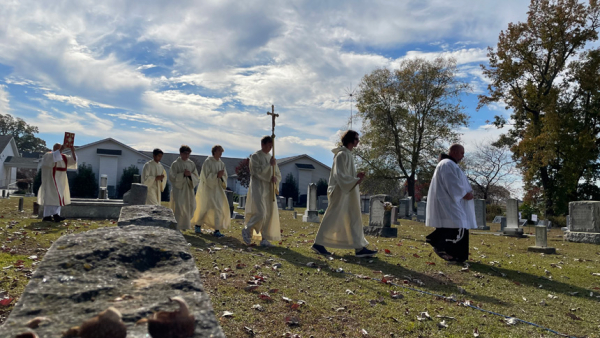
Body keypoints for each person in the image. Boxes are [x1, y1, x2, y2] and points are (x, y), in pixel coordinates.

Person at [311, 130, 378, 258]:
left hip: (349, 191)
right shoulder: (341, 155)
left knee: (353, 217)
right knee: (333, 216)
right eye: (357, 139)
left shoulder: (348, 155)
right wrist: (355, 179)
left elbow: (347, 175)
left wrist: (356, 178)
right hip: (340, 191)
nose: (358, 142)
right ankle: (318, 243)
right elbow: (340, 175)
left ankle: (359, 247)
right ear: (350, 140)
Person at [425, 144, 476, 263]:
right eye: (461, 153)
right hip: (449, 202)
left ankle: (457, 256)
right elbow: (451, 182)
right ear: (453, 152)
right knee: (457, 226)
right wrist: (464, 193)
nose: (463, 156)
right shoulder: (447, 164)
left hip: (453, 201)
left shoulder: (450, 164)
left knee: (456, 226)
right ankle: (440, 245)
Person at [241, 136, 282, 247]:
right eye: (269, 145)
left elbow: (277, 174)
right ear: (263, 144)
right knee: (260, 212)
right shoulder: (255, 156)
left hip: (268, 188)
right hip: (258, 187)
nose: (270, 148)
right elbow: (256, 172)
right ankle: (247, 229)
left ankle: (264, 238)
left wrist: (275, 179)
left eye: (271, 146)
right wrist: (269, 165)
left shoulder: (271, 157)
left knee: (268, 213)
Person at [191, 145, 230, 237]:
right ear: (214, 152)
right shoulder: (208, 162)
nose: (221, 154)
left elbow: (225, 176)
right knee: (205, 207)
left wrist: (221, 177)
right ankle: (198, 225)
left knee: (218, 208)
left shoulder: (221, 163)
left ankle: (217, 229)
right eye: (219, 151)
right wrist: (216, 175)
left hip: (217, 190)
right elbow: (205, 177)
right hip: (208, 189)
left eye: (222, 152)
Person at [38, 143, 77, 222]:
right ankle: (47, 216)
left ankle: (56, 215)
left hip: (61, 178)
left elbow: (73, 162)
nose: (60, 149)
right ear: (54, 148)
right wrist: (60, 150)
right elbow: (50, 160)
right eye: (58, 148)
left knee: (59, 197)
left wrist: (72, 151)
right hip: (51, 178)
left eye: (60, 148)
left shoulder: (64, 157)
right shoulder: (48, 155)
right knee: (50, 196)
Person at [169, 145, 199, 230]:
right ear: (181, 153)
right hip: (179, 190)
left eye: (188, 154)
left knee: (190, 206)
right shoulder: (175, 164)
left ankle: (185, 225)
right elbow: (172, 177)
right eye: (185, 154)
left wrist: (190, 176)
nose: (187, 156)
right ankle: (178, 226)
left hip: (188, 189)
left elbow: (196, 177)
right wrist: (183, 175)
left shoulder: (191, 164)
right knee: (180, 207)